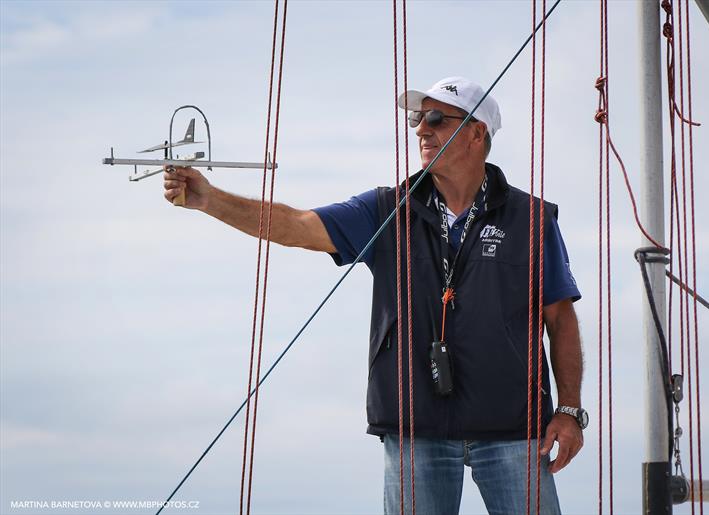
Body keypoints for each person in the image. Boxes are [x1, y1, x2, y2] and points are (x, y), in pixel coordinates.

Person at [164, 76, 585, 515]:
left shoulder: (532, 218)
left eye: (437, 119)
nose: (421, 130)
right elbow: (297, 225)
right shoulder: (387, 208)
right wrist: (210, 200)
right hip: (415, 428)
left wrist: (570, 410)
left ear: (477, 133)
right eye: (417, 119)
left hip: (515, 429)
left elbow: (560, 318)